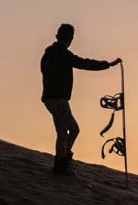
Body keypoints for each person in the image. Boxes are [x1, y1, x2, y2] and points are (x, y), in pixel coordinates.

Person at [40, 23, 120, 175]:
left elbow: (45, 72)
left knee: (62, 131)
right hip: (58, 99)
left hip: (50, 98)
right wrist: (107, 65)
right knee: (72, 130)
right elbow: (84, 63)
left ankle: (61, 162)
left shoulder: (48, 54)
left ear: (58, 36)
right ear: (70, 39)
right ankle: (62, 163)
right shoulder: (62, 53)